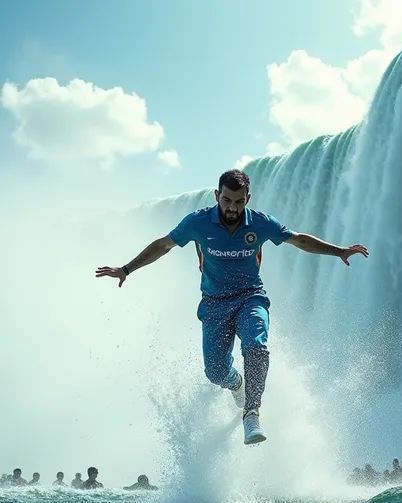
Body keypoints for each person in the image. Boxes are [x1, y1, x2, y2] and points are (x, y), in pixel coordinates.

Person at [96, 169, 369, 445]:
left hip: (250, 297)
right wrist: (126, 269)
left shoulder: (260, 223)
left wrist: (339, 251)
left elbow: (297, 239)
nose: (232, 207)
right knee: (215, 372)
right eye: (226, 200)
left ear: (247, 199)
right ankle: (236, 384)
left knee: (256, 345)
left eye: (239, 202)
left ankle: (252, 411)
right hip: (214, 304)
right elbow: (163, 245)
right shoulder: (198, 222)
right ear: (217, 195)